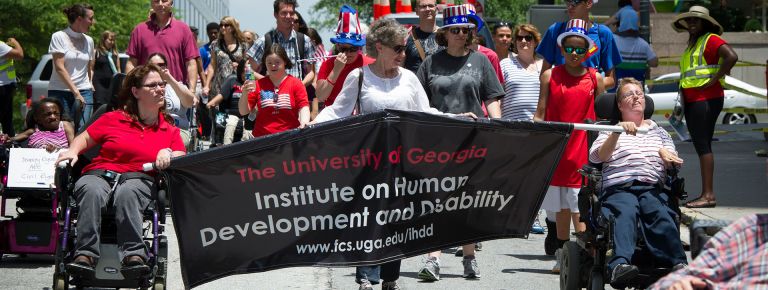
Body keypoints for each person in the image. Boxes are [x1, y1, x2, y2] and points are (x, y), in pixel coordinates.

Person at [312, 18, 472, 290]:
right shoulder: (359, 76)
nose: (403, 54)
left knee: (397, 219)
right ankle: (366, 277)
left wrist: (455, 118)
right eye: (397, 48)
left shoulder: (409, 78)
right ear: (379, 47)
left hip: (403, 161)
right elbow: (337, 110)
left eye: (405, 49)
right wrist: (312, 125)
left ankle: (389, 277)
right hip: (368, 161)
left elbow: (426, 112)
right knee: (368, 218)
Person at [56, 64, 186, 277]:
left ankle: (134, 255)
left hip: (139, 178)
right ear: (135, 92)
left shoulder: (169, 130)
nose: (160, 89)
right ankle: (85, 254)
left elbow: (180, 157)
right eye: (152, 85)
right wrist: (72, 151)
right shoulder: (113, 118)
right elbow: (84, 138)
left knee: (128, 193)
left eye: (162, 85)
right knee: (90, 189)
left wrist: (168, 153)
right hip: (100, 172)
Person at [416, 4, 504, 281]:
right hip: (437, 141)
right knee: (437, 200)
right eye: (454, 30)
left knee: (467, 200)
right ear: (444, 33)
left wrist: (497, 127)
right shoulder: (430, 63)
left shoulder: (481, 61)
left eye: (465, 30)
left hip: (472, 140)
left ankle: (469, 258)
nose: (460, 34)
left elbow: (492, 98)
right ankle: (434, 258)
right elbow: (418, 101)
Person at [588, 78, 687, 287]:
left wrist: (665, 155)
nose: (635, 97)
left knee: (659, 211)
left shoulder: (660, 132)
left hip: (651, 186)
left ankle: (678, 264)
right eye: (628, 94)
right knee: (625, 211)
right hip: (620, 187)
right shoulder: (609, 130)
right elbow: (598, 157)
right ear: (619, 105)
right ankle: (619, 265)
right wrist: (617, 133)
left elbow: (673, 162)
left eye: (639, 93)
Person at [533, 18, 605, 274]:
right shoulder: (549, 75)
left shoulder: (595, 78)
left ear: (587, 51)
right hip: (556, 150)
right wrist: (534, 138)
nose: (574, 54)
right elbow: (540, 112)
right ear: (562, 50)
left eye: (580, 50)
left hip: (583, 150)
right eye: (570, 49)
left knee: (580, 208)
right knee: (561, 208)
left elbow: (602, 118)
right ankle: (563, 256)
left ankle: (583, 258)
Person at [671, 6, 737, 209]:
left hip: (706, 99)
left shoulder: (710, 39)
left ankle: (708, 195)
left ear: (705, 23)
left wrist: (717, 78)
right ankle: (706, 194)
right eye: (689, 20)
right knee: (702, 144)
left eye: (696, 21)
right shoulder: (694, 43)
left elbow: (731, 56)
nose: (692, 24)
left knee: (702, 144)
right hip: (694, 100)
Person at [649, 214, 768, 290]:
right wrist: (676, 285)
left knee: (660, 213)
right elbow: (671, 281)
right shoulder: (749, 230)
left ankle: (678, 261)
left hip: (653, 186)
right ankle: (628, 261)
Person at [536, 0, 622, 90]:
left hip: (591, 101)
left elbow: (611, 80)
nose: (570, 6)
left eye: (575, 2)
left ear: (589, 3)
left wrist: (585, 87)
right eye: (568, 1)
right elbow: (543, 76)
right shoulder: (555, 30)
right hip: (561, 100)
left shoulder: (603, 33)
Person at [125, 0, 199, 91]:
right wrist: (128, 90)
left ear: (171, 3)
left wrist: (192, 91)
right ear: (152, 3)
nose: (160, 4)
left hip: (176, 91)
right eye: (156, 1)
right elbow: (132, 63)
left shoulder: (184, 29)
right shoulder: (139, 30)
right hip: (147, 91)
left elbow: (191, 63)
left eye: (164, 1)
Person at [239, 44, 309, 138]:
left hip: (290, 138)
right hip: (262, 140)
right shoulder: (258, 85)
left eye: (277, 62)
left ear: (285, 62)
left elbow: (303, 106)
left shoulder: (296, 83)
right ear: (265, 64)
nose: (273, 65)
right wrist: (244, 94)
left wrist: (304, 122)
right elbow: (243, 111)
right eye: (269, 63)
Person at [315, 5, 375, 109]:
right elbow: (320, 97)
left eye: (353, 49)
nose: (348, 53)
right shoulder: (328, 64)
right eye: (344, 49)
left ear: (359, 47)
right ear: (337, 46)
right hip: (335, 116)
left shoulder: (370, 64)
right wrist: (336, 70)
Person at [246, 0, 314, 88]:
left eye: (291, 13)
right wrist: (267, 83)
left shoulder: (304, 40)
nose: (288, 16)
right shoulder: (264, 41)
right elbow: (248, 70)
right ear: (275, 14)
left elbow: (311, 73)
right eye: (284, 13)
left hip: (296, 98)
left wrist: (299, 86)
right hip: (270, 98)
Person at [48, 3, 96, 128]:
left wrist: (90, 84)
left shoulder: (89, 40)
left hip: (85, 91)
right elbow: (59, 67)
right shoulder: (58, 36)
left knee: (83, 129)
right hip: (60, 91)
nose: (93, 22)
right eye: (90, 18)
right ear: (79, 19)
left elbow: (90, 66)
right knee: (63, 131)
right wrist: (76, 93)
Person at [146, 53, 196, 147]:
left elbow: (189, 103)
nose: (159, 68)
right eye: (154, 65)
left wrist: (170, 80)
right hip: (154, 129)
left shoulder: (176, 86)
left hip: (179, 129)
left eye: (161, 65)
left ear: (166, 66)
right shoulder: (145, 88)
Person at [501, 24, 543, 121]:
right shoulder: (504, 64)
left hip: (538, 127)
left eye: (528, 38)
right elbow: (497, 98)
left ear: (536, 42)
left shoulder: (545, 66)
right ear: (515, 42)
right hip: (510, 126)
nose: (523, 41)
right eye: (519, 38)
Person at [610, 5, 657, 92]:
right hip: (636, 93)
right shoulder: (643, 44)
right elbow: (654, 62)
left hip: (616, 93)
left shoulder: (613, 40)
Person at [203, 16, 247, 107]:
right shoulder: (215, 44)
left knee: (235, 116)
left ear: (233, 27)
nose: (223, 27)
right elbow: (212, 66)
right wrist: (207, 85)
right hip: (218, 86)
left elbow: (247, 65)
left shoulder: (242, 44)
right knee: (218, 117)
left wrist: (240, 66)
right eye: (221, 25)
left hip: (236, 86)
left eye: (226, 25)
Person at [1, 98, 74, 152]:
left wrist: (58, 150)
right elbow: (13, 139)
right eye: (48, 114)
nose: (53, 117)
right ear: (37, 119)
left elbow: (74, 147)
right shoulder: (34, 130)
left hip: (61, 164)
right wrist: (8, 139)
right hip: (35, 165)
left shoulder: (64, 126)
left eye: (56, 114)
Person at [211, 60, 247, 144]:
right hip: (232, 114)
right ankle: (226, 147)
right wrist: (210, 103)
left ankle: (245, 147)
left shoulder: (252, 84)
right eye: (243, 72)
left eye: (247, 72)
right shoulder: (233, 80)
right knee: (230, 125)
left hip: (247, 115)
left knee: (248, 130)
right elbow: (222, 95)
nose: (244, 75)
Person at [403, 0, 443, 73]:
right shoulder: (407, 37)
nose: (427, 9)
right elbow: (399, 68)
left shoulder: (447, 36)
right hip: (414, 84)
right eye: (423, 6)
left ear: (436, 10)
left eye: (431, 6)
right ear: (416, 11)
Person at [92, 31, 121, 110]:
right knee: (99, 107)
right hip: (99, 85)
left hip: (111, 85)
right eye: (110, 40)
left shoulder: (115, 54)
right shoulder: (96, 52)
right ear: (104, 40)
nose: (112, 42)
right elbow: (91, 69)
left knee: (111, 107)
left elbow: (118, 69)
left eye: (113, 40)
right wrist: (90, 83)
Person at [0, 37, 23, 136]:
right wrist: (15, 42)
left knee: (6, 120)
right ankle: (8, 144)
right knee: (6, 119)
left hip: (5, 86)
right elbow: (19, 55)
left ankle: (8, 143)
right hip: (3, 86)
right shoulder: (0, 45)